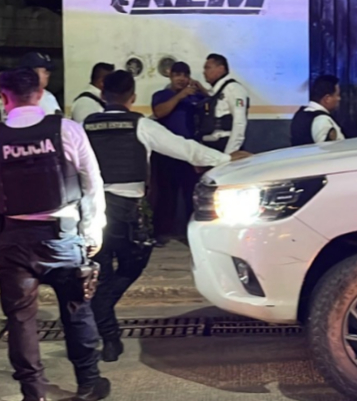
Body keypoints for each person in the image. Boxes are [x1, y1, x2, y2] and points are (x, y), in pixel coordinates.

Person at [0, 67, 107, 401]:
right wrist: (93, 233)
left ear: (3, 97)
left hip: (14, 241)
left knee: (21, 321)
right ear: (40, 94)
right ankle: (88, 383)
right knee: (77, 310)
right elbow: (93, 184)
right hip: (63, 237)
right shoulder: (67, 131)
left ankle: (34, 399)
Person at [84, 71, 247, 361]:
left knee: (102, 272)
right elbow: (185, 149)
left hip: (90, 212)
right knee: (135, 262)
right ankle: (105, 319)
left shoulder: (81, 127)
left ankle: (108, 336)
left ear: (102, 95)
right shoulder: (141, 125)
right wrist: (225, 159)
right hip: (125, 211)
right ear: (132, 98)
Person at [150, 62, 206, 244]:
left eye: (185, 75)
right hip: (166, 154)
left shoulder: (194, 97)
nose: (181, 79)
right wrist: (180, 96)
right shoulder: (161, 95)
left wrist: (202, 90)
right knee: (166, 195)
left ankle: (191, 234)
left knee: (192, 194)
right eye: (177, 75)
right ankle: (161, 233)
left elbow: (212, 104)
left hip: (189, 153)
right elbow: (159, 112)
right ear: (170, 76)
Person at [198, 53, 248, 153]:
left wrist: (230, 153)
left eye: (207, 68)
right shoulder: (215, 93)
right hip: (210, 147)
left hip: (224, 145)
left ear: (220, 69)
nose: (204, 72)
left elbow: (239, 123)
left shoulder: (234, 89)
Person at [291, 74, 343, 146]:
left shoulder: (300, 114)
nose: (339, 99)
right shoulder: (322, 120)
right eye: (337, 95)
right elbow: (328, 151)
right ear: (327, 99)